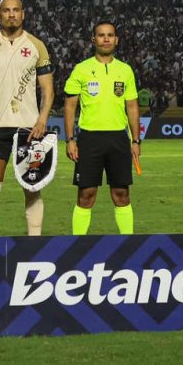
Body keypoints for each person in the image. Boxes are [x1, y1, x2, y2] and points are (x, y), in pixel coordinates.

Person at [0, 0, 54, 237]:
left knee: (32, 188)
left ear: (23, 14)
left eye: (16, 10)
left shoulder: (37, 46)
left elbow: (48, 90)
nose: (12, 14)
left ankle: (34, 241)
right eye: (6, 10)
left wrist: (42, 120)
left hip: (29, 128)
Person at [62, 21, 141, 235]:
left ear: (116, 40)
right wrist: (70, 139)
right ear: (93, 40)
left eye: (110, 35)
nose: (106, 39)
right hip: (89, 139)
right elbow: (70, 106)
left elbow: (132, 107)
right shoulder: (81, 69)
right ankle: (78, 244)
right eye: (101, 35)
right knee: (86, 195)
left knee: (122, 194)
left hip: (118, 139)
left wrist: (135, 140)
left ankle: (128, 243)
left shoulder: (125, 70)